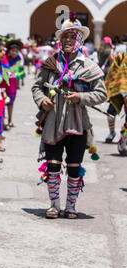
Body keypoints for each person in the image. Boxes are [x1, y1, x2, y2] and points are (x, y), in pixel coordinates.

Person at [31, 14, 107, 219]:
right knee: (53, 166)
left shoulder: (89, 66)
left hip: (78, 124)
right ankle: (54, 205)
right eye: (64, 37)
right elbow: (37, 87)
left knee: (74, 167)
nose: (67, 41)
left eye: (72, 38)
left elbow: (101, 94)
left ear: (79, 41)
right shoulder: (50, 63)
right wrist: (42, 101)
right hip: (53, 122)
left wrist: (80, 97)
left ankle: (71, 206)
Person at [105, 50, 127, 155]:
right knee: (110, 113)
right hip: (118, 89)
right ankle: (112, 132)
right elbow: (114, 71)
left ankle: (123, 142)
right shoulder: (121, 55)